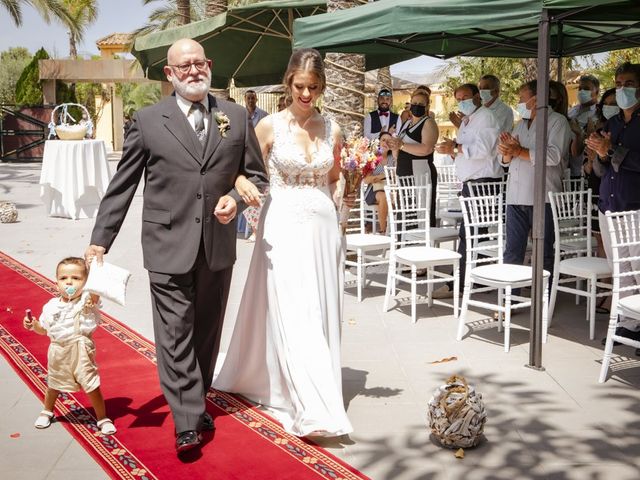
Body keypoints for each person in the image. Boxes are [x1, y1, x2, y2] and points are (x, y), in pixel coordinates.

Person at [84, 38, 268, 455]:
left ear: (210, 65)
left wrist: (235, 200)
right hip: (167, 243)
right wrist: (100, 241)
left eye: (198, 63)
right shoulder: (148, 121)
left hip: (217, 245)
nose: (192, 71)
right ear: (169, 74)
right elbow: (122, 187)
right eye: (182, 66)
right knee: (174, 333)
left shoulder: (236, 118)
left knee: (206, 332)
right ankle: (186, 419)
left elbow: (257, 177)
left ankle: (195, 399)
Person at [214, 48, 353, 438]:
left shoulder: (333, 128)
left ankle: (313, 381)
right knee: (295, 307)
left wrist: (356, 185)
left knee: (319, 304)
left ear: (321, 86)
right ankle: (311, 402)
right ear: (287, 84)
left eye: (312, 87)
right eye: (299, 87)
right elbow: (246, 173)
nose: (305, 95)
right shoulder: (269, 126)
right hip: (283, 224)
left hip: (324, 226)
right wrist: (241, 189)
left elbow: (334, 177)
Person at [23, 257, 116, 436]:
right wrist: (33, 324)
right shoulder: (51, 306)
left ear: (86, 282)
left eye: (76, 278)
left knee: (90, 382)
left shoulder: (87, 301)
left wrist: (93, 272)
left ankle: (102, 417)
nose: (69, 282)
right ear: (56, 282)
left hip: (80, 347)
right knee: (54, 381)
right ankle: (47, 410)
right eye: (64, 278)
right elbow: (44, 330)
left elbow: (96, 291)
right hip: (58, 349)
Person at [585, 62, 640, 349]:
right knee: (621, 270)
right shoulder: (614, 123)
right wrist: (600, 152)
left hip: (635, 206)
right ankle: (629, 324)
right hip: (610, 204)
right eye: (618, 83)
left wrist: (612, 152)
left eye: (628, 83)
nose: (622, 89)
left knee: (638, 270)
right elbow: (603, 167)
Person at [433, 83, 503, 298]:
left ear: (477, 97)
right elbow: (465, 148)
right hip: (470, 183)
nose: (461, 101)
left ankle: (461, 282)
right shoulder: (467, 121)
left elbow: (483, 149)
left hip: (483, 183)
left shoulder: (487, 118)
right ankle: (476, 279)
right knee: (475, 234)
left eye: (465, 97)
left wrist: (455, 148)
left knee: (469, 233)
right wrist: (454, 146)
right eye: (458, 98)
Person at [498, 79, 571, 281]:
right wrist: (506, 152)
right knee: (512, 251)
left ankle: (543, 299)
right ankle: (509, 301)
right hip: (515, 196)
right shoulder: (520, 124)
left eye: (522, 98)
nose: (519, 102)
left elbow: (553, 156)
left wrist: (519, 150)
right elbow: (505, 161)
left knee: (543, 252)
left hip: (543, 197)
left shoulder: (557, 121)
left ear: (536, 98)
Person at [388, 88, 439, 227]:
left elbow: (427, 148)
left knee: (420, 213)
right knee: (405, 213)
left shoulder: (428, 123)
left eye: (421, 104)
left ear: (427, 106)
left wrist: (402, 145)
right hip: (404, 173)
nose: (416, 106)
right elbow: (398, 148)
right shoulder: (406, 123)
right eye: (414, 102)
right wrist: (394, 147)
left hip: (420, 173)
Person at [363, 130, 396, 234]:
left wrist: (380, 177)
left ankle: (398, 229)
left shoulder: (393, 158)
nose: (386, 143)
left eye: (389, 141)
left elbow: (396, 175)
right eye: (383, 140)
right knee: (384, 196)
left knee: (391, 196)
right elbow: (366, 180)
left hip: (389, 189)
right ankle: (383, 230)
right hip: (373, 190)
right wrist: (384, 175)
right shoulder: (373, 158)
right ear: (379, 142)